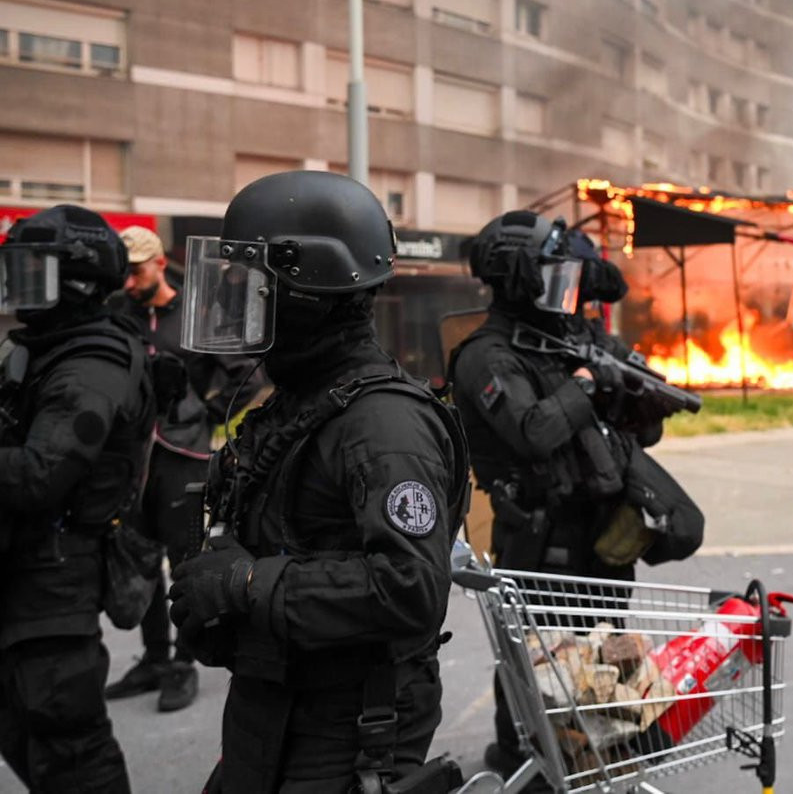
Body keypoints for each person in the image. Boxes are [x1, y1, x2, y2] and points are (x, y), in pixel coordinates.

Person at [166, 171, 468, 792]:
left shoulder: (384, 424)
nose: (234, 295)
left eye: (250, 281)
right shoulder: (302, 400)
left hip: (347, 728)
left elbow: (409, 586)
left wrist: (248, 584)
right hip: (275, 707)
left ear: (303, 288)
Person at [451, 211, 701, 778]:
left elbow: (638, 432)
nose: (563, 293)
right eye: (550, 276)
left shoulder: (572, 338)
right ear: (518, 278)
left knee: (599, 653)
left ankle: (592, 750)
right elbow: (535, 431)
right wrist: (586, 384)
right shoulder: (487, 355)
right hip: (538, 534)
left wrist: (635, 397)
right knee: (535, 655)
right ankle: (522, 756)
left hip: (603, 528)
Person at [0, 205, 155, 793]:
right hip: (28, 572)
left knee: (70, 750)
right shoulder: (51, 348)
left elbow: (42, 473)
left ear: (75, 279)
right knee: (29, 736)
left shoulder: (91, 361)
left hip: (56, 578)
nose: (17, 286)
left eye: (30, 271)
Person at [104, 225, 262, 712]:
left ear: (155, 263)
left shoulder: (197, 313)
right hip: (131, 458)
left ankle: (181, 663)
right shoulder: (119, 315)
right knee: (139, 556)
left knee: (182, 558)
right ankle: (152, 658)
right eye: (123, 274)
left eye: (135, 272)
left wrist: (207, 415)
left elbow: (246, 372)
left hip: (181, 454)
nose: (129, 283)